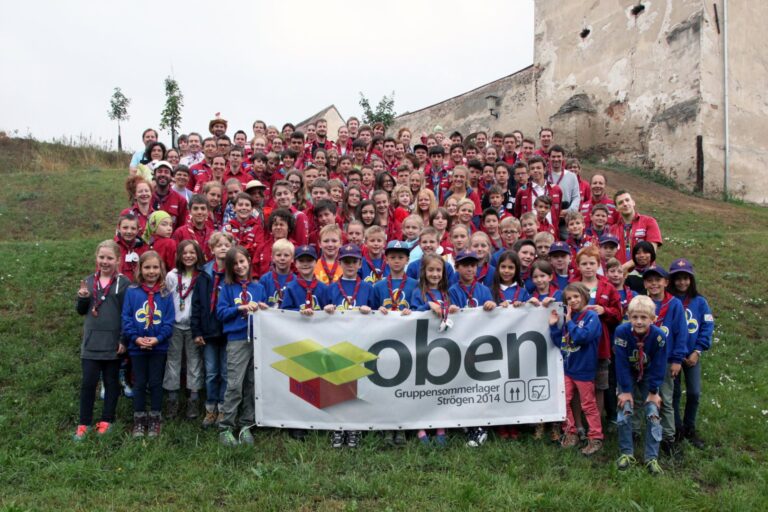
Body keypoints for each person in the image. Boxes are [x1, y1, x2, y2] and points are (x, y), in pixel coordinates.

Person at [73, 240, 131, 441]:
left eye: (109, 258)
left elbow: (128, 314)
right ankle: (83, 423)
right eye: (101, 257)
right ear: (96, 258)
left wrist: (124, 339)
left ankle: (107, 420)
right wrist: (82, 298)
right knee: (88, 383)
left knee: (111, 383)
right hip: (91, 344)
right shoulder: (88, 281)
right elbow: (81, 311)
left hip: (113, 343)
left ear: (118, 260)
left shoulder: (124, 284)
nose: (105, 261)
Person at [216, 246, 267, 446]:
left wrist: (263, 308)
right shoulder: (227, 288)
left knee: (252, 383)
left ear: (248, 261)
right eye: (234, 264)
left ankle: (247, 424)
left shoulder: (259, 287)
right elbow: (220, 313)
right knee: (235, 384)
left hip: (257, 339)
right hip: (237, 340)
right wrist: (240, 308)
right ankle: (226, 426)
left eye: (242, 262)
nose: (239, 266)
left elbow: (267, 312)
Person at [122, 251, 175, 438]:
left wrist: (158, 339)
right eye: (147, 267)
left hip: (158, 347)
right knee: (139, 382)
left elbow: (169, 321)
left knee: (155, 382)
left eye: (155, 267)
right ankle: (139, 418)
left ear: (161, 269)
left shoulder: (166, 294)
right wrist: (135, 338)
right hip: (137, 346)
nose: (151, 271)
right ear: (140, 269)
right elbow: (127, 318)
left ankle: (155, 417)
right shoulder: (132, 292)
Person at [613, 295, 668, 475]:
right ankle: (626, 453)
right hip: (627, 374)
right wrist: (625, 391)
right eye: (634, 317)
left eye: (644, 317)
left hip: (649, 376)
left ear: (653, 318)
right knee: (625, 410)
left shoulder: (659, 337)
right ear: (628, 316)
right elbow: (620, 362)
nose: (638, 321)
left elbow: (660, 365)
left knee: (653, 413)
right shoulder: (621, 332)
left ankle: (651, 456)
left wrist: (653, 391)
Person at [549, 282, 604, 455]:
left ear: (584, 297)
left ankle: (596, 437)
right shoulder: (569, 318)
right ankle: (570, 432)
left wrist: (570, 322)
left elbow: (582, 337)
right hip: (568, 369)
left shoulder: (591, 317)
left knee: (588, 404)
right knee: (563, 402)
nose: (572, 300)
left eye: (576, 296)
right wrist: (553, 326)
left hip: (584, 369)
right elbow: (561, 342)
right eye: (568, 298)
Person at [409, 253, 459, 446]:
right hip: (422, 344)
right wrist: (427, 306)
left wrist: (453, 310)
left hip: (442, 345)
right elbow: (413, 315)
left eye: (438, 270)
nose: (435, 273)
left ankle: (440, 425)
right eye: (431, 270)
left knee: (440, 384)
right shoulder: (417, 292)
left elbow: (458, 313)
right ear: (424, 272)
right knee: (421, 386)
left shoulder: (448, 292)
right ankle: (420, 427)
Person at [668, 258, 714, 449]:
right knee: (675, 393)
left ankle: (690, 427)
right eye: (678, 278)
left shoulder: (700, 302)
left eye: (685, 278)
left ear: (691, 279)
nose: (682, 282)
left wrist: (698, 350)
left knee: (694, 392)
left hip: (693, 356)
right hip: (674, 357)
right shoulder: (668, 300)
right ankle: (677, 428)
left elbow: (707, 326)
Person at [642, 265, 688, 458]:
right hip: (646, 360)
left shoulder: (674, 304)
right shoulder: (641, 302)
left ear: (666, 282)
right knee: (645, 398)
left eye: (658, 280)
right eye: (650, 280)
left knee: (667, 400)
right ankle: (645, 433)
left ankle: (668, 438)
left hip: (668, 360)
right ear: (645, 283)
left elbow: (681, 333)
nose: (654, 284)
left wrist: (677, 359)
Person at [163, 240, 205, 420]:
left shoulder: (202, 276)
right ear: (178, 255)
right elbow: (165, 298)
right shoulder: (172, 276)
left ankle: (193, 401)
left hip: (193, 327)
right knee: (172, 362)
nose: (188, 256)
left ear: (198, 255)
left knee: (194, 362)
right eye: (184, 253)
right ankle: (172, 400)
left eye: (192, 253)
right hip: (174, 326)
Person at [610, 190, 663, 269]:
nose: (625, 204)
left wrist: (624, 267)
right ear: (616, 208)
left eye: (627, 200)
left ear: (633, 202)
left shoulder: (649, 222)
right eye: (621, 203)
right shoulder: (612, 230)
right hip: (621, 277)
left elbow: (651, 252)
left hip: (645, 274)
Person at [280, 245, 330, 315]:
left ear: (316, 262)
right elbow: (285, 312)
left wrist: (329, 309)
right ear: (295, 263)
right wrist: (300, 312)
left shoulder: (324, 288)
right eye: (301, 261)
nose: (305, 264)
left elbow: (329, 311)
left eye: (309, 260)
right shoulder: (290, 288)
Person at [373, 241, 418, 315]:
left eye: (401, 257)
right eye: (392, 257)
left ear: (407, 260)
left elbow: (418, 309)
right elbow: (372, 310)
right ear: (386, 260)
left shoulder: (415, 284)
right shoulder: (378, 286)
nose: (396, 261)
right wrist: (378, 310)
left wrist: (411, 311)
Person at [173, 194, 215, 261]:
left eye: (203, 208)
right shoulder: (180, 232)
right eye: (195, 208)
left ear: (208, 212)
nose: (199, 212)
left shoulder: (213, 234)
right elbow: (176, 257)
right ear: (190, 211)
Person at [114, 213, 147, 280]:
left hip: (137, 287)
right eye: (125, 228)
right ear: (119, 228)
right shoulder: (112, 248)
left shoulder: (144, 248)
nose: (129, 231)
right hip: (117, 287)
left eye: (133, 228)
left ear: (138, 230)